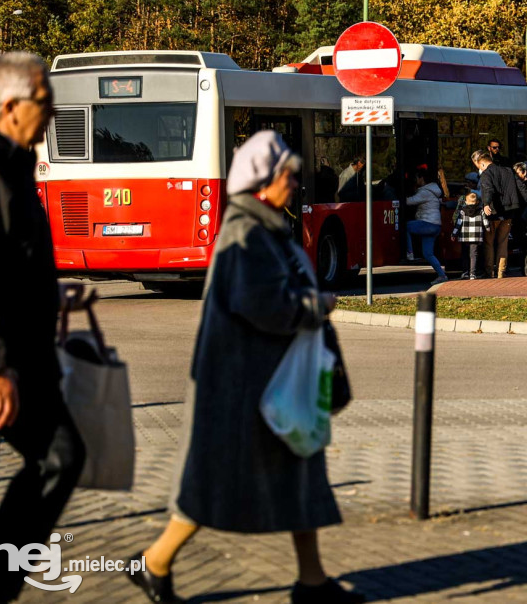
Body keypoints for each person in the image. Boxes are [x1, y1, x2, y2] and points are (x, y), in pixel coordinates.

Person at [127, 131, 362, 604]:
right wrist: (316, 306)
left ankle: (312, 582)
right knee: (214, 484)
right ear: (262, 181)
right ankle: (154, 562)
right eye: (288, 176)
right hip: (245, 389)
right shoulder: (246, 232)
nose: (296, 184)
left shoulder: (265, 226)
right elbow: (263, 304)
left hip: (270, 381)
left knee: (299, 474)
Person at [0, 52, 86, 603]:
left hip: (22, 359)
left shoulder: (14, 160)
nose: (54, 112)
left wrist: (53, 293)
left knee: (63, 455)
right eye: (46, 101)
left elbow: (6, 258)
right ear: (11, 106)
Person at [473, 149, 521, 277]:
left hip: (493, 213)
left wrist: (486, 203)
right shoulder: (507, 171)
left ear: (482, 163)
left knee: (489, 243)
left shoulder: (486, 174)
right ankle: (501, 271)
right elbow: (520, 186)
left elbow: (488, 189)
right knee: (503, 242)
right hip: (508, 212)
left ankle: (490, 271)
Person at [405, 168, 447, 285]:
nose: (415, 180)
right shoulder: (433, 190)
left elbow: (409, 202)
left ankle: (409, 253)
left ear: (421, 178)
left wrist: (400, 196)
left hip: (427, 223)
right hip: (435, 226)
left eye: (416, 178)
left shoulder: (424, 192)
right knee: (428, 253)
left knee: (406, 227)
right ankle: (442, 275)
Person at [451, 192, 487, 280]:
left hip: (465, 236)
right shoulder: (481, 211)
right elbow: (485, 222)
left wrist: (454, 234)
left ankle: (465, 272)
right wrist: (488, 228)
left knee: (465, 254)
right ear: (477, 202)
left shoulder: (462, 211)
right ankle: (473, 273)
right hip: (476, 236)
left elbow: (458, 223)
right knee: (473, 254)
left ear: (466, 202)